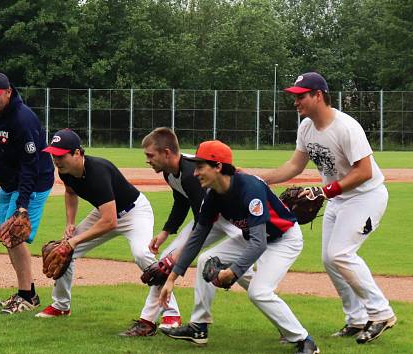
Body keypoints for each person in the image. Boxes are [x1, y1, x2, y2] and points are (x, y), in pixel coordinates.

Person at [260, 72, 396, 344]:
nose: (295, 102)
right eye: (295, 97)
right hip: (337, 199)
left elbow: (365, 171)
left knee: (340, 254)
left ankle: (381, 312)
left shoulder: (346, 127)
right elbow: (295, 165)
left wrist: (326, 190)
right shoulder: (306, 128)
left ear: (318, 95)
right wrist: (262, 179)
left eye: (300, 97)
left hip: (365, 197)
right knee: (329, 260)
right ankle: (356, 319)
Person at [158, 140, 320, 354]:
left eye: (200, 167)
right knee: (207, 258)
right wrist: (172, 279)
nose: (195, 173)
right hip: (253, 236)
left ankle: (304, 340)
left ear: (218, 167)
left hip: (283, 239)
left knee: (259, 292)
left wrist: (232, 272)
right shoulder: (213, 195)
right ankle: (199, 327)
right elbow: (197, 237)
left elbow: (259, 242)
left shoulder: (249, 188)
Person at [35, 129, 181, 326]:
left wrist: (74, 240)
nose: (56, 159)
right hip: (106, 211)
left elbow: (110, 221)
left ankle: (172, 313)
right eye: (54, 154)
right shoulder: (65, 170)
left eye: (60, 155)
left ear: (77, 153)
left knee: (141, 254)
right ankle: (61, 306)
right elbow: (70, 193)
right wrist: (70, 223)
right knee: (64, 251)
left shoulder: (98, 172)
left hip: (134, 213)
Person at [117, 127, 243, 337]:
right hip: (208, 217)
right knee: (163, 266)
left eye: (150, 155)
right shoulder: (170, 173)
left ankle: (273, 308)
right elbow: (181, 202)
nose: (147, 160)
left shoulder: (190, 174)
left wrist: (176, 256)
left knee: (250, 278)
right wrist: (166, 232)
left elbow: (203, 223)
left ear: (166, 153)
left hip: (230, 218)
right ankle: (147, 322)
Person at [0, 71, 54, 314]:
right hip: (9, 182)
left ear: (8, 92)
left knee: (13, 235)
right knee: (7, 237)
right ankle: (27, 293)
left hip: (33, 182)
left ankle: (26, 296)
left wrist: (22, 205)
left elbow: (30, 166)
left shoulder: (24, 120)